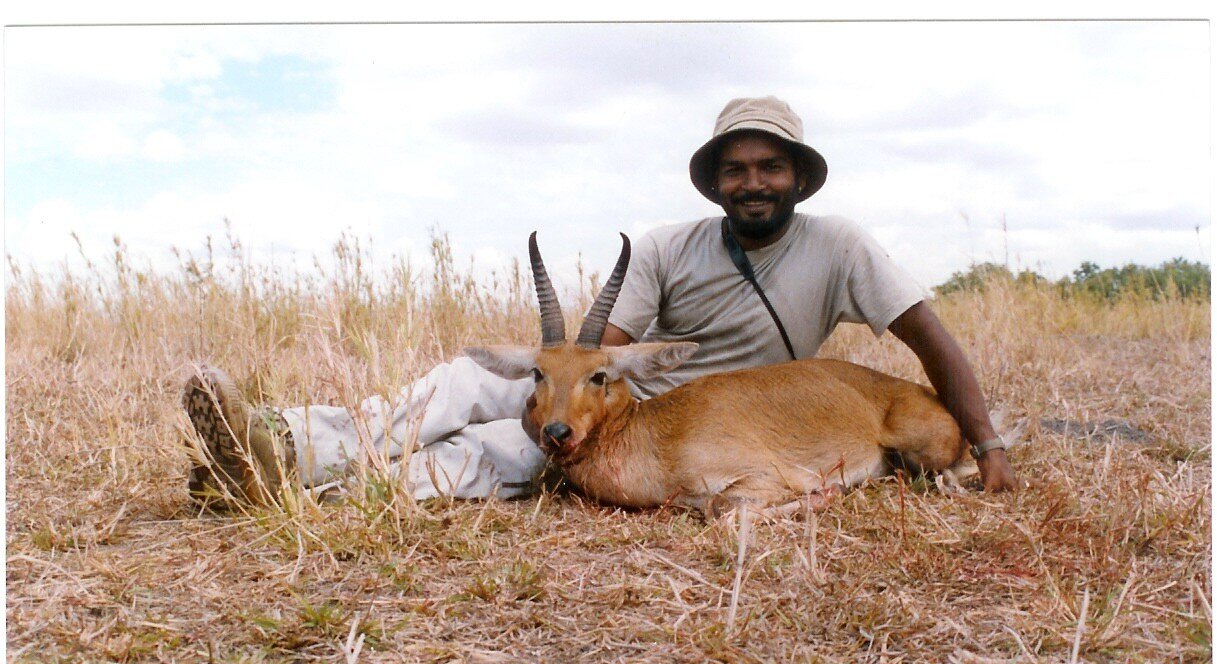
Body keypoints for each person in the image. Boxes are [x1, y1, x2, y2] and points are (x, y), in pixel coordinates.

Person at [184, 95, 1018, 508]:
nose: (753, 182)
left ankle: (313, 497)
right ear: (716, 181)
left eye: (770, 168)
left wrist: (990, 447)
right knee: (476, 389)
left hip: (740, 419)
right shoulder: (664, 247)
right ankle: (284, 445)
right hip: (631, 400)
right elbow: (593, 355)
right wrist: (561, 403)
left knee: (499, 460)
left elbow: (932, 341)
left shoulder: (841, 245)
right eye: (736, 169)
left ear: (797, 176)